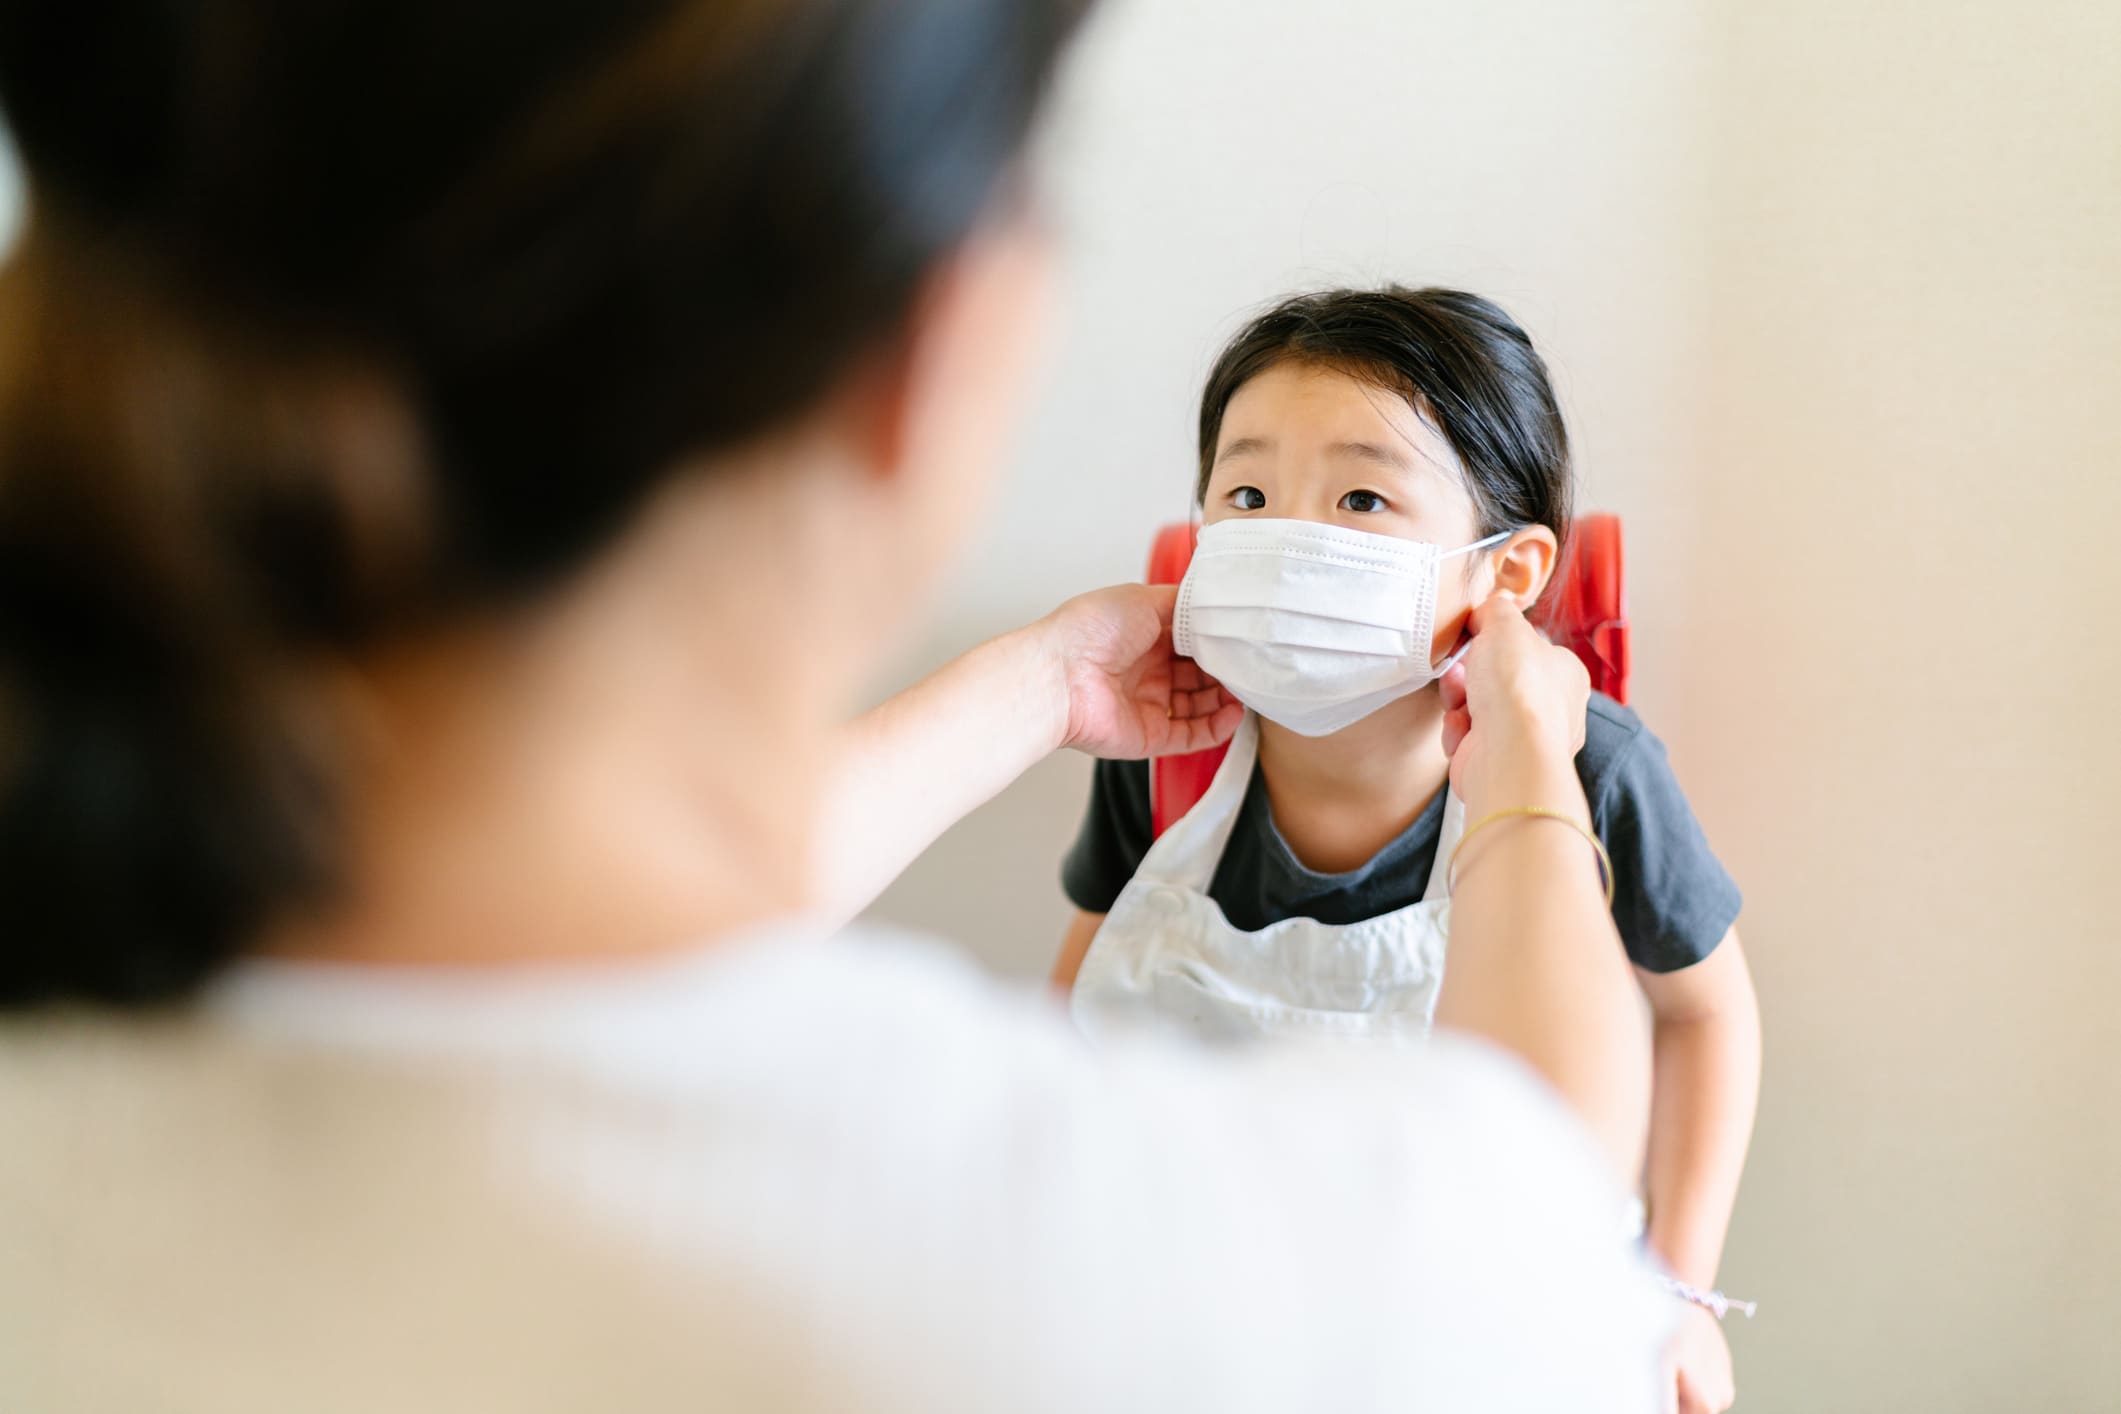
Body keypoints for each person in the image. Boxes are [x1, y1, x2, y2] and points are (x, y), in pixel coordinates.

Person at [0, 3, 1664, 1409]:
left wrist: (1033, 684)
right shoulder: (1138, 1273)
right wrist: (1527, 748)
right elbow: (1540, 1182)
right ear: (935, 354)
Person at [1052, 287, 1761, 1414]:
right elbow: (1084, 982)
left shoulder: (1593, 767)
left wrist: (1681, 1289)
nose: (1289, 537)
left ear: (1507, 572)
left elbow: (1705, 1014)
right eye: (1248, 492)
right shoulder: (1166, 740)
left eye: (1361, 496)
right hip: (1198, 1319)